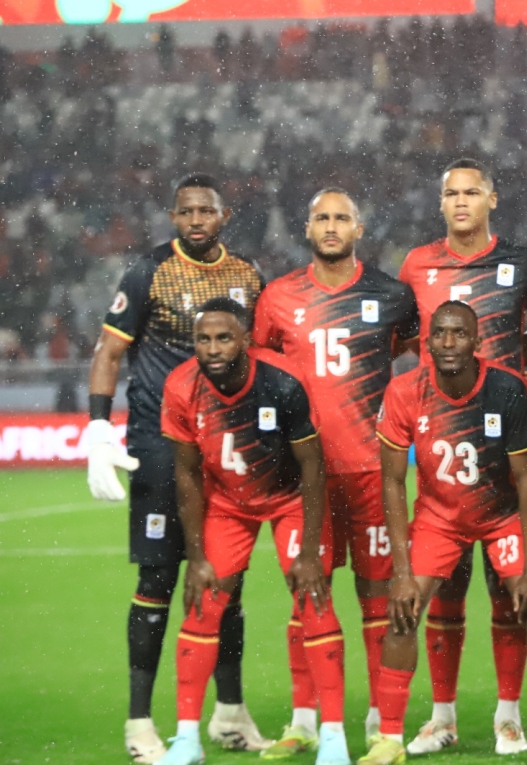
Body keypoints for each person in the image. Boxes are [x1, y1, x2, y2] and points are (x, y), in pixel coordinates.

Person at [86, 174, 267, 762]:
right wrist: (97, 427)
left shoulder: (247, 275)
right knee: (158, 580)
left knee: (227, 580)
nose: (195, 221)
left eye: (205, 211)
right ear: (172, 217)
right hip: (162, 444)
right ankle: (140, 722)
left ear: (224, 215)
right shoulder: (149, 272)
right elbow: (109, 351)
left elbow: (262, 353)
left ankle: (229, 713)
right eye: (185, 212)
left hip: (226, 446)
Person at [361, 301, 527, 765]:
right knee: (403, 610)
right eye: (440, 333)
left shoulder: (506, 388)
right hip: (439, 518)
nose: (448, 342)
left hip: (502, 517)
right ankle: (389, 739)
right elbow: (392, 482)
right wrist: (402, 572)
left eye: (459, 333)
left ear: (477, 342)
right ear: (426, 342)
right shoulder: (404, 391)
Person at [253, 188, 418, 755]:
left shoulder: (392, 295)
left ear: (359, 229)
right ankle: (304, 721)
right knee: (308, 593)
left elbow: (417, 356)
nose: (330, 226)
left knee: (378, 599)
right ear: (306, 228)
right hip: (305, 476)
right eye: (321, 217)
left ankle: (377, 720)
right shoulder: (278, 297)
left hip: (373, 470)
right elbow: (261, 370)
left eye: (341, 218)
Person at [156, 298, 348, 765]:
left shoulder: (282, 381)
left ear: (245, 339)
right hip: (228, 505)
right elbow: (186, 474)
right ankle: (186, 740)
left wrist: (308, 552)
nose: (213, 348)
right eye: (203, 339)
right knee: (202, 604)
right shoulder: (181, 386)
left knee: (313, 601)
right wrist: (196, 557)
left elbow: (313, 466)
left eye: (224, 338)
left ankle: (333, 738)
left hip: (291, 500)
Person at [397, 159, 527, 756]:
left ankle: (509, 716)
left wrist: (505, 376)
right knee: (445, 592)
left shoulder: (522, 264)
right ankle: (442, 717)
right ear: (440, 203)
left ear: (492, 199)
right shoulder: (416, 265)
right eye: (451, 193)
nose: (461, 201)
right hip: (444, 440)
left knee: (510, 591)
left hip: (505, 439)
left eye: (472, 192)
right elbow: (407, 336)